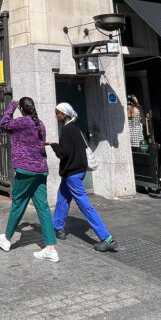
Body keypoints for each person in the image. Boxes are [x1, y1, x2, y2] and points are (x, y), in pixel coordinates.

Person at [0, 97, 59, 262]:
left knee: (18, 203)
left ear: (21, 108)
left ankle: (6, 239)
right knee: (42, 207)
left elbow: (2, 124)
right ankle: (50, 247)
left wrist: (11, 107)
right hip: (41, 170)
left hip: (25, 170)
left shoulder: (20, 123)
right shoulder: (40, 124)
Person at [48, 103, 118, 252]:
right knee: (62, 197)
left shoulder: (67, 129)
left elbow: (63, 153)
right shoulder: (75, 128)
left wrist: (53, 145)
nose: (56, 116)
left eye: (57, 113)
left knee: (85, 206)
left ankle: (106, 238)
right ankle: (58, 227)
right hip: (75, 172)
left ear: (64, 115)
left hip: (72, 173)